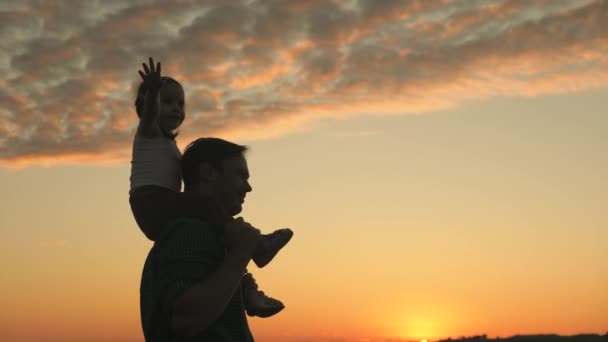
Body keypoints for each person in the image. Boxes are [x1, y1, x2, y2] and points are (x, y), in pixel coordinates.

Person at [129, 57, 292, 318]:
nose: (176, 108)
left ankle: (248, 292)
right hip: (150, 201)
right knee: (207, 208)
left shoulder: (171, 148)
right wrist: (150, 93)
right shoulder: (148, 133)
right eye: (167, 101)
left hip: (163, 203)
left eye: (180, 103)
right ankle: (256, 246)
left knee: (217, 234)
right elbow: (147, 116)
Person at [140, 137, 267, 341]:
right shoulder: (189, 231)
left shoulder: (204, 233)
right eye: (241, 175)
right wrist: (239, 256)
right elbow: (185, 320)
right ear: (208, 173)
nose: (248, 187)